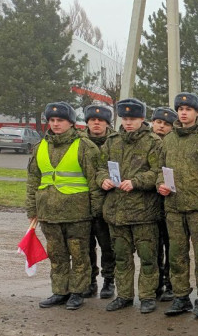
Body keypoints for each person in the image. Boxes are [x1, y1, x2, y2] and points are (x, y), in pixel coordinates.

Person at [26, 102, 100, 311]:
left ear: (71, 123)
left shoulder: (85, 147)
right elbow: (33, 180)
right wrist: (32, 209)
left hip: (77, 213)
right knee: (56, 255)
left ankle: (77, 292)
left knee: (79, 254)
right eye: (52, 120)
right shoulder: (40, 147)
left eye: (60, 120)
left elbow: (94, 181)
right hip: (48, 212)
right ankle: (60, 291)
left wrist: (96, 210)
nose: (56, 124)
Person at [157, 92, 198, 319]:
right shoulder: (168, 139)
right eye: (180, 109)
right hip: (174, 206)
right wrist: (160, 184)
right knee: (177, 254)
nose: (183, 113)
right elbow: (160, 169)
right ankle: (181, 296)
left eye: (188, 109)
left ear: (197, 112)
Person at [96, 98, 162, 314]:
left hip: (143, 211)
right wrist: (103, 180)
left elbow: (158, 172)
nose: (128, 123)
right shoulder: (112, 141)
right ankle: (124, 295)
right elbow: (100, 167)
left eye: (132, 119)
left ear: (142, 119)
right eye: (125, 119)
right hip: (117, 211)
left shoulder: (153, 142)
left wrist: (136, 182)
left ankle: (147, 296)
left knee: (148, 257)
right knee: (122, 257)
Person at [83, 103, 116, 300]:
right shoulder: (78, 143)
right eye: (93, 120)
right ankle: (90, 280)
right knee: (86, 246)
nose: (96, 123)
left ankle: (109, 280)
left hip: (107, 201)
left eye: (101, 120)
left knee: (107, 245)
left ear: (107, 123)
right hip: (82, 202)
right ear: (87, 122)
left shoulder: (115, 142)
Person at [150, 107, 176, 301]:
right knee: (154, 247)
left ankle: (170, 283)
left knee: (172, 246)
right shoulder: (147, 142)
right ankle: (156, 284)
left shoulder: (172, 144)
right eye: (159, 122)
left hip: (170, 202)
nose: (161, 126)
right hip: (149, 203)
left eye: (166, 124)